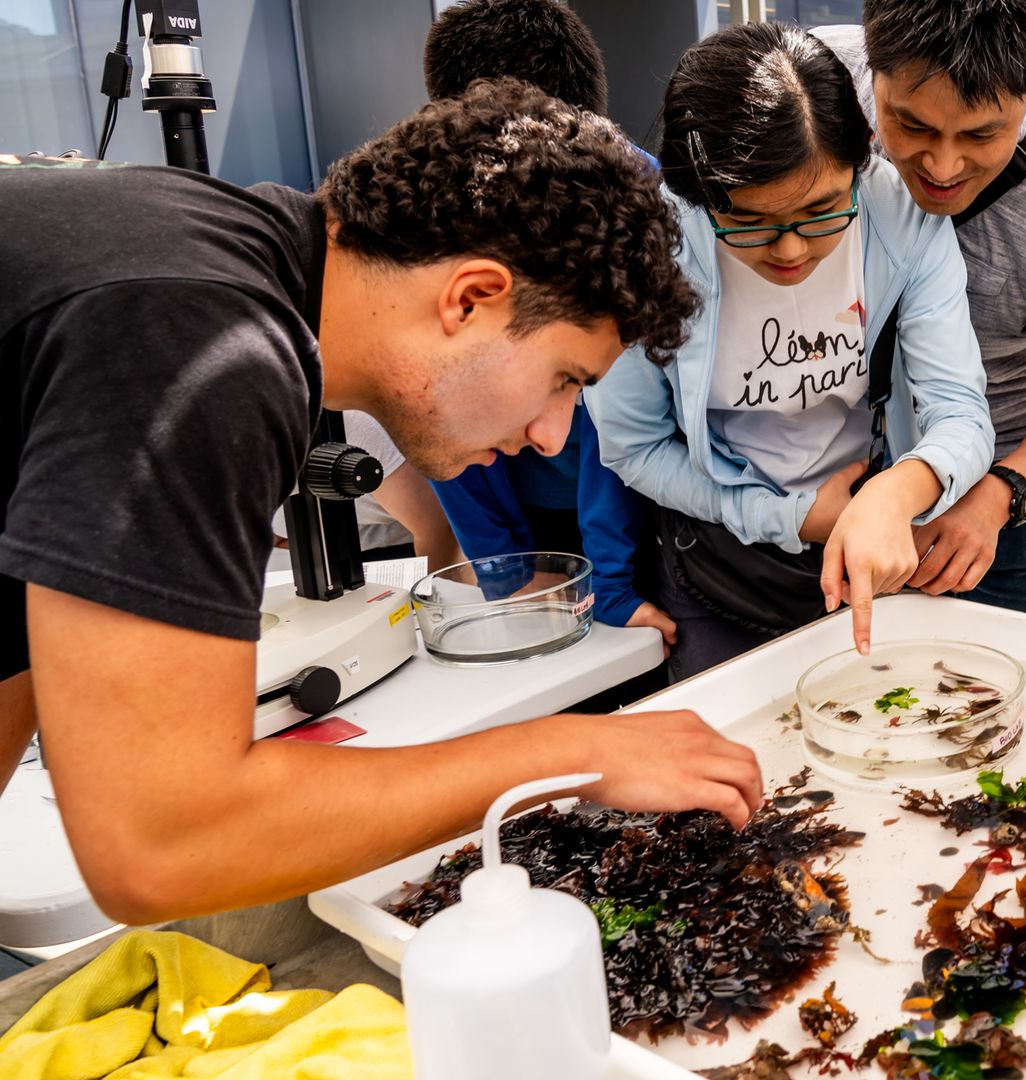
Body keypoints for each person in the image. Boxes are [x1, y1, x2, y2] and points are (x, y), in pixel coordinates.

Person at [0, 81, 763, 925]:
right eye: (564, 381)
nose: (553, 436)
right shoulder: (210, 347)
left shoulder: (214, 257)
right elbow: (160, 847)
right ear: (470, 297)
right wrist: (577, 751)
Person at [588, 22, 994, 675]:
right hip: (718, 570)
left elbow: (963, 416)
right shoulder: (646, 245)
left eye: (822, 210)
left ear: (861, 160)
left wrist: (893, 495)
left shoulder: (901, 218)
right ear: (697, 194)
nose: (791, 250)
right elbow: (633, 447)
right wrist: (793, 516)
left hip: (880, 545)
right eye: (749, 222)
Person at [811, 0, 1026, 620]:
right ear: (871, 72)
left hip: (993, 509)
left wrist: (996, 497)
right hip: (822, 481)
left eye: (982, 134)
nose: (942, 166)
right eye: (911, 126)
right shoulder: (815, 83)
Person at [418, 0, 678, 640]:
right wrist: (501, 568)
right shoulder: (442, 214)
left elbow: (615, 411)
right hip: (523, 501)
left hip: (640, 495)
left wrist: (612, 583)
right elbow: (440, 405)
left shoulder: (643, 205)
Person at [272, 409, 466, 570]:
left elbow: (440, 530)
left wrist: (433, 604)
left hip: (420, 547)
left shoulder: (353, 427)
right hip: (333, 546)